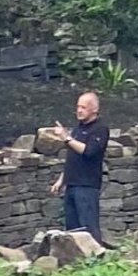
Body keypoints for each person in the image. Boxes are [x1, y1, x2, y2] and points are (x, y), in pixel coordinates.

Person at [48, 91, 109, 237]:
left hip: (87, 185)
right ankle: (75, 258)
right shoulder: (78, 128)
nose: (79, 111)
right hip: (72, 184)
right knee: (72, 230)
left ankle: (95, 256)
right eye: (78, 107)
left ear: (94, 109)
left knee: (88, 227)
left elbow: (88, 151)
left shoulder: (100, 129)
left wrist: (66, 138)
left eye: (84, 107)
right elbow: (72, 156)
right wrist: (61, 180)